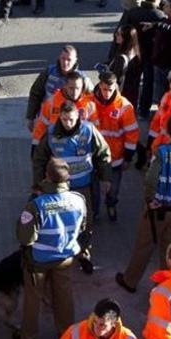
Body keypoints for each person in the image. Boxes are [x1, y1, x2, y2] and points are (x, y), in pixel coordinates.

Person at [14, 158, 89, 339]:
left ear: (47, 176)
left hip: (38, 260)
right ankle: (66, 334)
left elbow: (25, 237)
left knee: (33, 297)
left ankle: (28, 337)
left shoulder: (36, 204)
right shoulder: (79, 200)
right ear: (67, 178)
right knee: (64, 295)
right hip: (65, 258)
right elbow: (83, 228)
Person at [119, 115, 171, 292]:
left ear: (167, 132)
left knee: (144, 245)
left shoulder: (162, 153)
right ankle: (166, 287)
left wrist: (149, 201)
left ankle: (130, 281)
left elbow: (150, 180)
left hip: (159, 210)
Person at [32, 100, 111, 269]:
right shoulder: (52, 133)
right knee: (60, 219)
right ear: (59, 117)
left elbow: (103, 154)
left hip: (83, 186)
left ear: (78, 117)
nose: (68, 123)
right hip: (58, 188)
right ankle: (58, 252)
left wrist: (106, 178)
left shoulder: (89, 131)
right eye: (64, 119)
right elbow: (39, 159)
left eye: (71, 119)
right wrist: (38, 185)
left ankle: (84, 252)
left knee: (86, 220)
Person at [92, 72, 138, 222]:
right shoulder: (89, 102)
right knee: (94, 190)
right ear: (99, 85)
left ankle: (111, 204)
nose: (107, 93)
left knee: (113, 189)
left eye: (110, 90)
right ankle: (94, 211)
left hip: (115, 158)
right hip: (94, 157)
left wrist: (128, 157)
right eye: (104, 89)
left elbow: (131, 133)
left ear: (116, 87)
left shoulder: (124, 106)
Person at [25, 46, 88, 133]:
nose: (65, 62)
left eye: (69, 59)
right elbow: (36, 93)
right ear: (59, 57)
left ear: (75, 60)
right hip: (48, 122)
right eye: (63, 58)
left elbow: (91, 100)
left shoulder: (82, 79)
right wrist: (30, 117)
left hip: (69, 125)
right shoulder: (49, 72)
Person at [31, 71, 98, 148]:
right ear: (65, 86)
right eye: (71, 88)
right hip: (57, 150)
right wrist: (35, 145)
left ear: (82, 87)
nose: (75, 92)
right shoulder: (52, 103)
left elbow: (95, 130)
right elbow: (41, 126)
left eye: (77, 88)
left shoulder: (89, 105)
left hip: (80, 151)